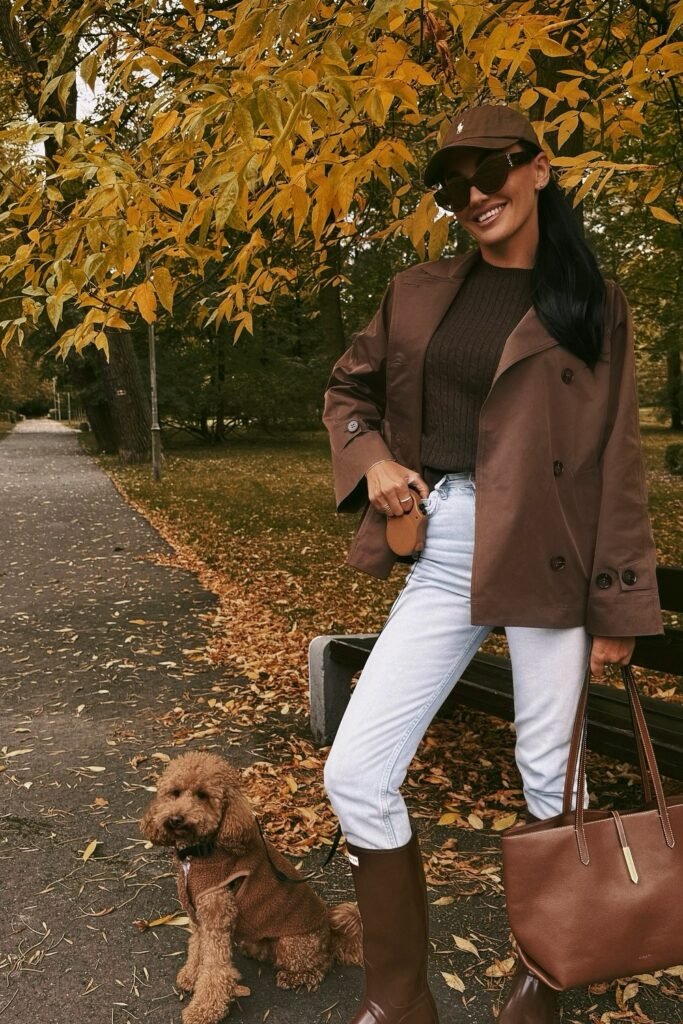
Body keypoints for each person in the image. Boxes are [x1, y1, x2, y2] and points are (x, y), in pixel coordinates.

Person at [321, 104, 664, 1024]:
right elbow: (349, 392)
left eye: (492, 169)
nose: (473, 194)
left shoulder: (592, 304)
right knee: (355, 772)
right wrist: (376, 459)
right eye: (451, 183)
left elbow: (616, 461)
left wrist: (619, 607)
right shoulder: (417, 289)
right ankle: (398, 1001)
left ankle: (543, 986)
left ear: (538, 168)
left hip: (549, 555)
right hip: (442, 543)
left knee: (552, 780)